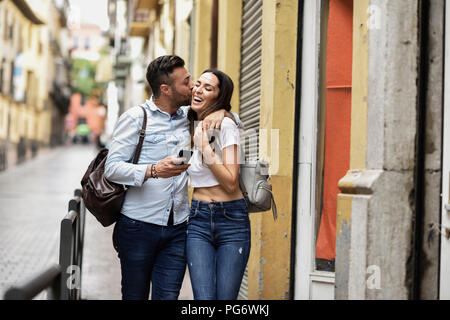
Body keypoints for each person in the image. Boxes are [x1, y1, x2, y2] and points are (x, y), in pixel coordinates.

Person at [104, 56, 239, 300]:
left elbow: (234, 122)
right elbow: (112, 168)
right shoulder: (136, 118)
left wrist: (221, 111)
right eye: (187, 82)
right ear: (166, 89)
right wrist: (152, 170)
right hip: (137, 226)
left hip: (178, 229)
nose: (193, 87)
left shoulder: (189, 116)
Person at [186, 69, 250, 300]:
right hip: (198, 220)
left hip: (231, 219)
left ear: (218, 97)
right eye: (198, 84)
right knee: (203, 300)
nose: (198, 90)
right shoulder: (190, 122)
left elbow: (231, 182)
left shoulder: (225, 126)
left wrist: (204, 148)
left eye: (208, 88)